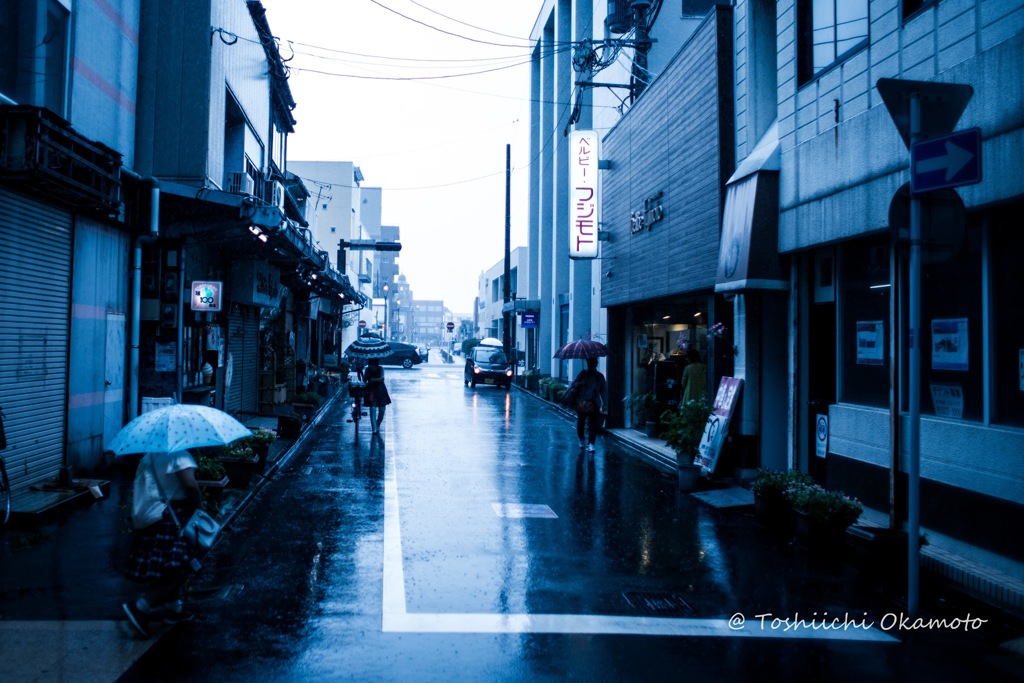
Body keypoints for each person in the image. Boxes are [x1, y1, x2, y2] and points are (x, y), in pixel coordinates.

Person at [122, 449, 203, 638]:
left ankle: (174, 609)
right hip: (177, 516)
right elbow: (190, 485)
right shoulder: (180, 456)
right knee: (181, 567)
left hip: (162, 512)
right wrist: (201, 506)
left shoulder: (150, 456)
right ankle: (141, 606)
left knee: (169, 566)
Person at [567, 357, 608, 453]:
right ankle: (582, 440)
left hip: (594, 403)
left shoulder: (599, 376)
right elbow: (573, 385)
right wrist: (580, 383)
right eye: (589, 363)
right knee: (581, 422)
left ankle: (590, 443)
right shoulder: (583, 374)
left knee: (592, 424)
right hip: (582, 402)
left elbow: (603, 391)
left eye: (592, 364)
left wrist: (605, 403)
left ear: (595, 364)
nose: (590, 366)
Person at [362, 357, 392, 434]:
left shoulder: (381, 369)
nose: (371, 367)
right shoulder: (367, 370)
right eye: (370, 365)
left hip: (380, 390)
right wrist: (363, 374)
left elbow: (381, 378)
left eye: (372, 365)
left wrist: (371, 379)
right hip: (371, 390)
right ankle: (374, 428)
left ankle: (377, 425)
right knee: (372, 408)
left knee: (382, 410)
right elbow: (364, 380)